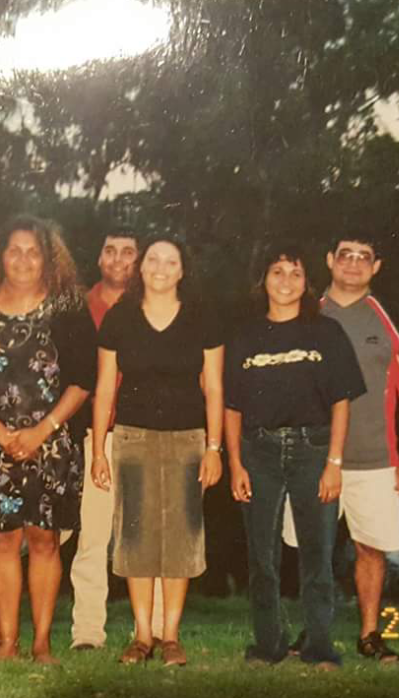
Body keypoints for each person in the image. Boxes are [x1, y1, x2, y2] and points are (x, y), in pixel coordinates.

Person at [0, 215, 96, 664]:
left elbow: (83, 379)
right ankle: (8, 644)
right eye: (14, 250)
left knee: (44, 541)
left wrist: (41, 431)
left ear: (48, 258)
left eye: (33, 251)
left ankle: (41, 644)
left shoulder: (68, 308)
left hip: (53, 444)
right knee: (2, 542)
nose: (23, 259)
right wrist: (0, 434)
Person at [224, 241, 365, 668]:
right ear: (263, 280)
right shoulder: (245, 335)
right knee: (262, 558)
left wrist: (334, 463)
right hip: (258, 451)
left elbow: (342, 400)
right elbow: (231, 406)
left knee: (317, 555)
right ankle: (268, 645)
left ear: (307, 283)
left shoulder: (326, 332)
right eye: (277, 272)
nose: (286, 281)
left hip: (314, 449)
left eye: (296, 274)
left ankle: (319, 646)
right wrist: (235, 463)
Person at [287, 234, 399, 664]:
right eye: (344, 255)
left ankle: (369, 635)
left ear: (376, 266)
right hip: (312, 457)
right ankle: (314, 629)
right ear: (329, 260)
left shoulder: (388, 320)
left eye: (363, 257)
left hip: (375, 460)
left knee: (371, 547)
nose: (353, 263)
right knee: (314, 546)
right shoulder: (304, 313)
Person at [91, 235, 224, 667]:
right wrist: (98, 451)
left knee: (181, 536)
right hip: (132, 438)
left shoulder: (203, 319)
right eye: (153, 259)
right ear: (141, 267)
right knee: (136, 536)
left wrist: (214, 448)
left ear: (182, 270)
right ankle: (142, 636)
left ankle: (171, 637)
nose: (161, 268)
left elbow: (215, 388)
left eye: (171, 261)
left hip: (188, 440)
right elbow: (105, 388)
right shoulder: (120, 319)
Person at [68, 230, 166, 650]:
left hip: (148, 431)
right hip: (96, 433)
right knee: (92, 536)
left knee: (152, 537)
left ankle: (160, 629)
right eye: (110, 250)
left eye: (129, 252)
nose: (119, 259)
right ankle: (87, 632)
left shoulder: (156, 307)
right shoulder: (76, 307)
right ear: (99, 258)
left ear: (140, 262)